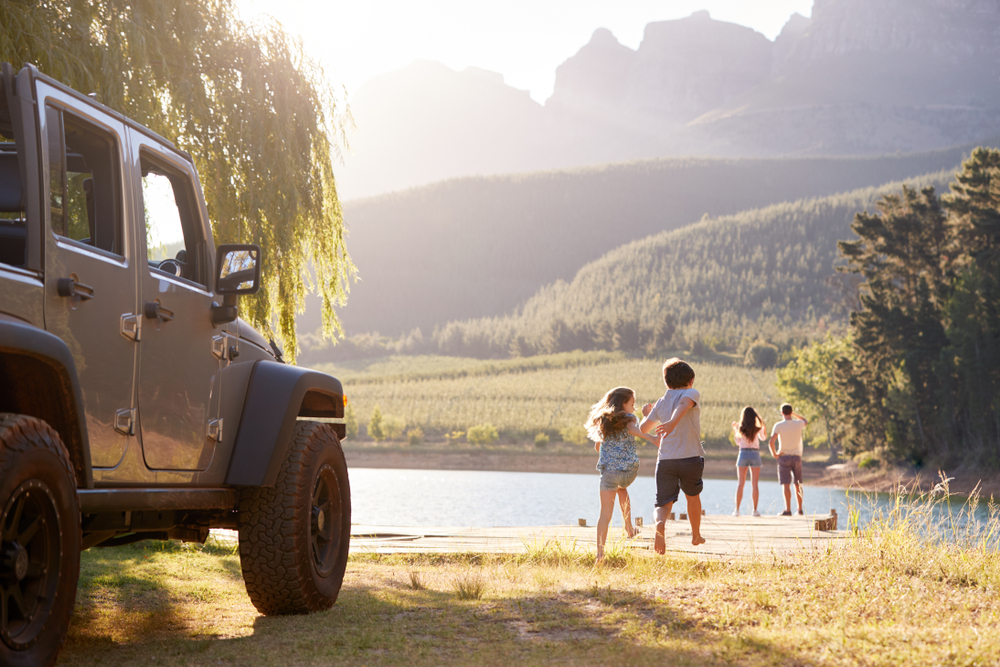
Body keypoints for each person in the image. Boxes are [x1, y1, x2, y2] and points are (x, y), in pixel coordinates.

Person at [640, 358, 706, 553]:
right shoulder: (691, 393)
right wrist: (672, 422)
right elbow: (684, 404)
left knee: (663, 502)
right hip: (690, 457)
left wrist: (647, 414)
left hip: (666, 460)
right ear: (691, 380)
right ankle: (695, 535)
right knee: (692, 496)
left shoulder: (661, 401)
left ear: (666, 381)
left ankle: (660, 524)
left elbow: (643, 428)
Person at [585, 386, 657, 562]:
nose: (634, 407)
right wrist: (651, 438)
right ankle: (629, 528)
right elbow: (633, 430)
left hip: (608, 473)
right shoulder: (630, 418)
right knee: (622, 488)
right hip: (627, 472)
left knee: (604, 515)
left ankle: (600, 554)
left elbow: (598, 446)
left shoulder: (604, 421)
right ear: (623, 403)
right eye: (632, 403)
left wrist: (609, 450)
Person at [768, 403, 809, 516]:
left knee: (786, 484)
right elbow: (805, 420)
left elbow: (771, 442)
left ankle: (788, 510)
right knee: (798, 484)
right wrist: (794, 414)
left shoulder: (778, 425)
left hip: (784, 456)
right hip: (797, 456)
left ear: (782, 413)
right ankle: (800, 510)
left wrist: (775, 454)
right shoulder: (799, 424)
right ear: (791, 412)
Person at [732, 406, 766, 517]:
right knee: (754, 484)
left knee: (740, 483)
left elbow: (738, 442)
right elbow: (763, 438)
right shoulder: (757, 428)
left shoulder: (740, 428)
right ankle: (755, 510)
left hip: (743, 453)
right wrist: (763, 426)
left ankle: (737, 510)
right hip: (755, 453)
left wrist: (734, 429)